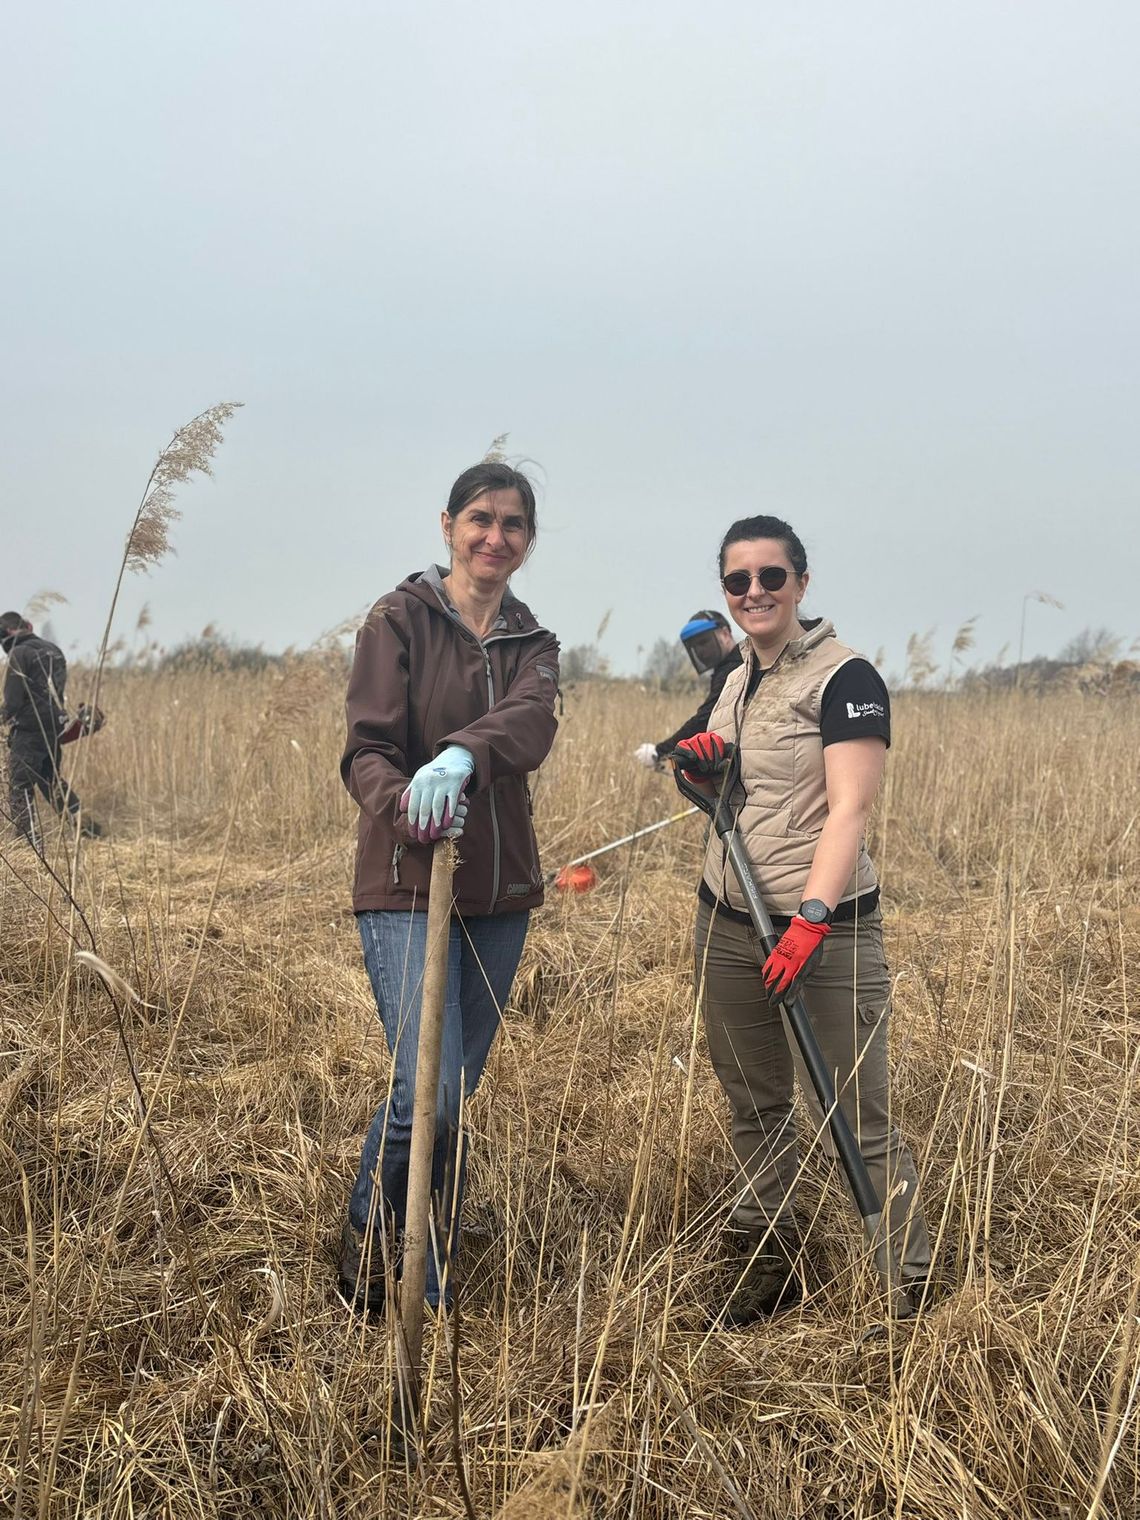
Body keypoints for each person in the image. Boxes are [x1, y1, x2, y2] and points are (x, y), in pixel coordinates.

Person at [672, 515, 931, 1325]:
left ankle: (908, 1288)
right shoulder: (736, 677)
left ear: (802, 583)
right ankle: (766, 1260)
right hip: (729, 916)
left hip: (825, 927)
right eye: (738, 581)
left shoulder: (847, 678)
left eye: (771, 577)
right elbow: (700, 774)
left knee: (859, 1112)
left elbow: (850, 808)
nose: (755, 592)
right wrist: (697, 766)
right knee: (755, 1102)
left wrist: (813, 919)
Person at [338, 461, 559, 1313]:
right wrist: (404, 806)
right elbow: (365, 748)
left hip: (498, 893)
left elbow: (533, 721)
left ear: (527, 542)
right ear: (447, 525)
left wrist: (464, 753)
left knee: (452, 1090)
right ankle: (388, 1261)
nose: (493, 536)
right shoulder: (397, 620)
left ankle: (398, 1235)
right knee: (421, 1086)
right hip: (405, 880)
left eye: (511, 524)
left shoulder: (532, 642)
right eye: (479, 519)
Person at [1, 611, 102, 846]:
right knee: (51, 781)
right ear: (27, 626)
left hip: (28, 730)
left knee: (20, 785)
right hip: (54, 727)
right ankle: (87, 829)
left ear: (6, 633)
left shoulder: (19, 653)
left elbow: (14, 703)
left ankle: (28, 844)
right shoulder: (54, 651)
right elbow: (53, 695)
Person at [633, 610, 743, 770]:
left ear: (725, 634)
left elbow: (706, 718)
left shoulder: (735, 668)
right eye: (695, 646)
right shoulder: (726, 668)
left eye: (705, 642)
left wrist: (660, 752)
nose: (702, 651)